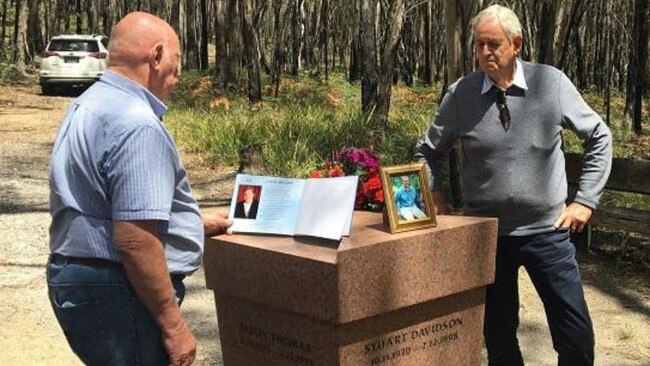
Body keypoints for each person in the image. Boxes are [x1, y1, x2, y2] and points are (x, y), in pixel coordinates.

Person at [415, 4, 612, 366]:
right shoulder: (461, 95)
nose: (484, 53)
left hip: (548, 232)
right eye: (478, 45)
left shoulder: (550, 83)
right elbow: (427, 151)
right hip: (487, 235)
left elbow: (599, 135)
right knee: (499, 338)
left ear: (516, 44)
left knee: (575, 336)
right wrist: (435, 195)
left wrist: (585, 200)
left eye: (493, 44)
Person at [47, 12, 232, 366]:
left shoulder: (88, 104)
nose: (177, 78)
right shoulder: (136, 123)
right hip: (119, 291)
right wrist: (173, 325)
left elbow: (97, 198)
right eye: (177, 65)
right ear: (157, 56)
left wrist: (190, 221)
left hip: (81, 279)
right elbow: (135, 240)